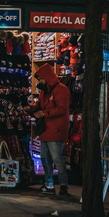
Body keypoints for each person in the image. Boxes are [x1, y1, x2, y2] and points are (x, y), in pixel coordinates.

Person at [23, 63, 70, 196]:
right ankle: (49, 184)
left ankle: (63, 185)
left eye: (41, 79)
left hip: (56, 129)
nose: (40, 82)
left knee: (57, 158)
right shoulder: (45, 91)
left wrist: (44, 114)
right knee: (44, 157)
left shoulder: (61, 89)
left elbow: (62, 109)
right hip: (45, 129)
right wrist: (31, 108)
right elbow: (39, 105)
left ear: (48, 78)